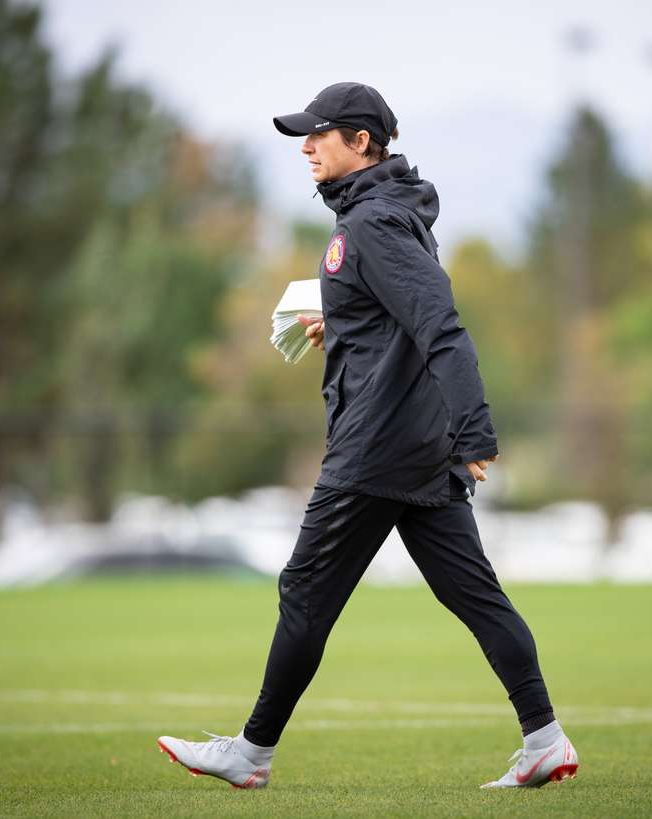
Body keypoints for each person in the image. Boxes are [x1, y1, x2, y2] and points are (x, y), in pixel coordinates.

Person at [157, 81, 578, 790]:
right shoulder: (388, 215)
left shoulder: (373, 222)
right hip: (418, 443)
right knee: (475, 594)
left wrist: (477, 433)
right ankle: (545, 737)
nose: (306, 146)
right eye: (304, 134)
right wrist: (342, 319)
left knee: (304, 590)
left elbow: (441, 327)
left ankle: (252, 752)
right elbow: (398, 317)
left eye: (320, 134)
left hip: (378, 447)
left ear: (362, 143)